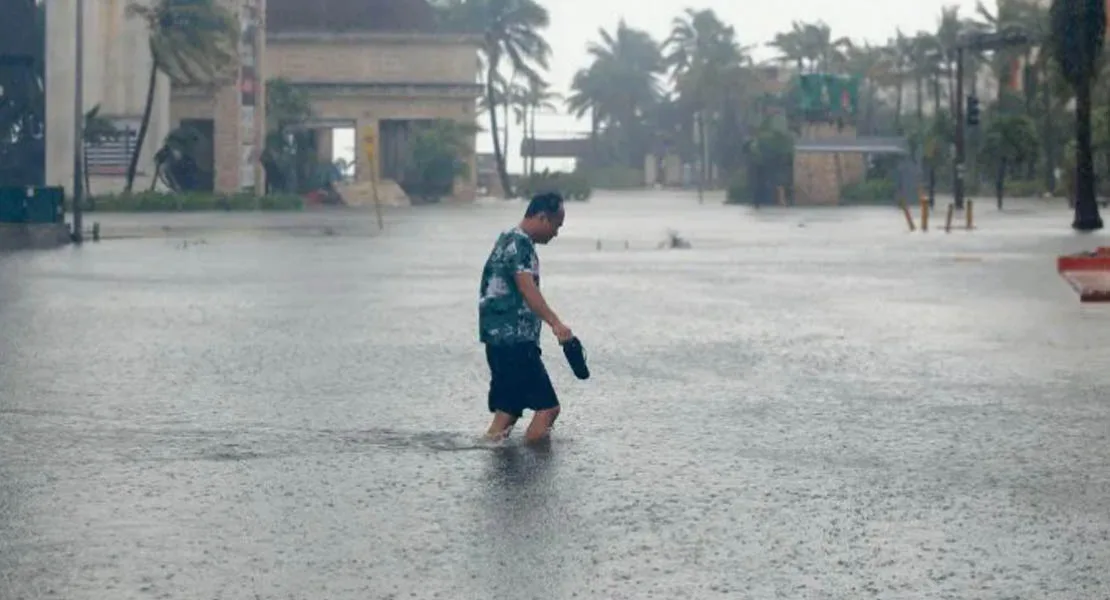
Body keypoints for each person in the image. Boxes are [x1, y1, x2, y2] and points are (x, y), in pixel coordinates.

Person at [477, 192, 572, 443]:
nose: (556, 233)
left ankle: (500, 470)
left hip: (496, 341)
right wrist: (556, 323)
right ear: (542, 217)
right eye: (556, 225)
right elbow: (527, 288)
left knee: (507, 412)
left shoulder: (506, 239)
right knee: (548, 409)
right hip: (515, 341)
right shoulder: (521, 245)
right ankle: (535, 477)